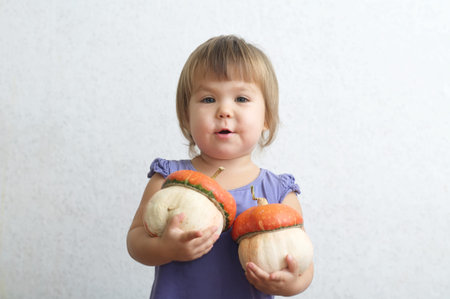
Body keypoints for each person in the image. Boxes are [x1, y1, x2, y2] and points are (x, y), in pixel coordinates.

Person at [127, 35, 314, 298]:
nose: (224, 110)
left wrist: (289, 283)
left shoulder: (279, 193)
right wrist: (166, 248)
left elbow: (305, 269)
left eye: (241, 98)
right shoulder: (169, 180)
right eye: (208, 99)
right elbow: (136, 242)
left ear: (266, 118)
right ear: (186, 116)